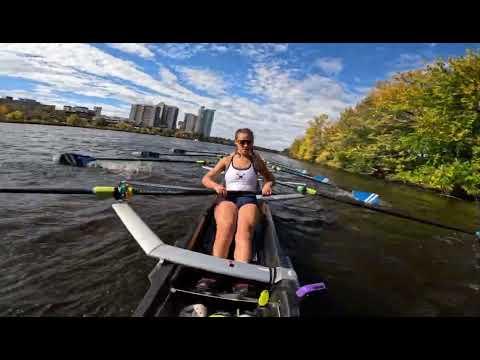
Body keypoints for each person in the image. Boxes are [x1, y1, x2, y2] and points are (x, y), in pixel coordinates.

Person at [199, 128, 275, 293]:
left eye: (249, 142)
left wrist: (268, 184)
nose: (246, 145)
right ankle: (213, 274)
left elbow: (270, 178)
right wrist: (216, 186)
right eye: (242, 142)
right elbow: (206, 178)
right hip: (228, 198)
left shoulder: (257, 161)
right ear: (236, 142)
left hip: (248, 199)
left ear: (252, 143)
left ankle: (241, 277)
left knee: (244, 231)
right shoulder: (227, 160)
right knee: (226, 227)